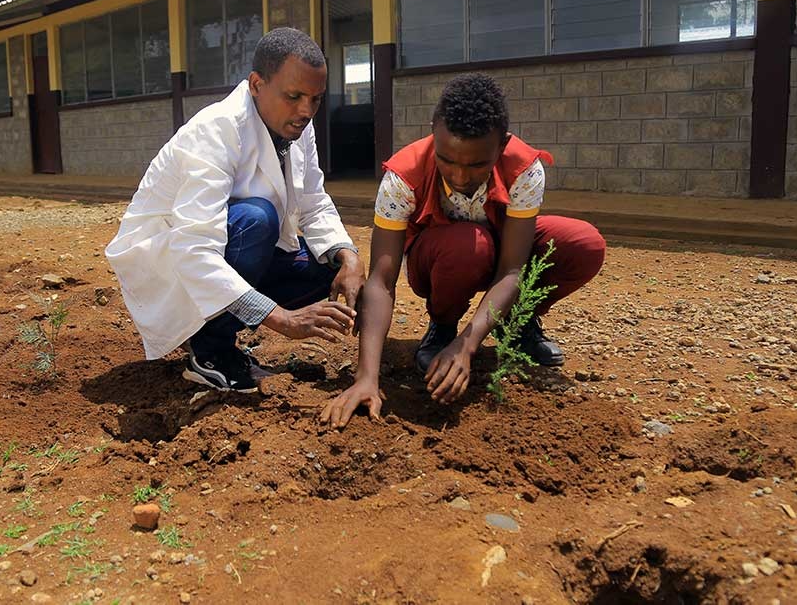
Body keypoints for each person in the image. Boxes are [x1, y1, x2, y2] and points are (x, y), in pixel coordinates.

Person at [322, 73, 606, 426]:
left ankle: (514, 325)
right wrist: (366, 377)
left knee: (583, 244)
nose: (459, 175)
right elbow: (381, 281)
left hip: (501, 258)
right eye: (447, 160)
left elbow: (512, 270)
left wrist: (468, 345)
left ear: (501, 145)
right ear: (433, 133)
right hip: (443, 260)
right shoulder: (403, 176)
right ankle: (442, 326)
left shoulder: (524, 168)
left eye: (476, 165)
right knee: (468, 246)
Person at [106, 27, 364, 393]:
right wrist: (282, 320)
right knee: (257, 220)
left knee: (329, 268)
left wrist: (349, 257)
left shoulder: (296, 125)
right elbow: (194, 252)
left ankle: (224, 333)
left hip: (232, 251)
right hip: (173, 264)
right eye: (294, 96)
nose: (306, 111)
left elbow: (313, 200)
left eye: (316, 99)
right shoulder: (216, 130)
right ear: (257, 84)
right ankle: (210, 352)